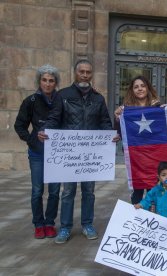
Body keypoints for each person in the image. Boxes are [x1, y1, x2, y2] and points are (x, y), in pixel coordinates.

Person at [37, 59, 120, 244]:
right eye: (81, 71)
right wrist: (44, 130)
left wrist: (110, 135)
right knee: (68, 192)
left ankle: (87, 224)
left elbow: (105, 122)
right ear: (75, 73)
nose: (84, 74)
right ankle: (65, 227)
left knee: (89, 191)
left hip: (90, 155)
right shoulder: (63, 95)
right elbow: (54, 118)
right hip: (69, 154)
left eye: (88, 72)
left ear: (92, 74)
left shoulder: (98, 98)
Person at [14, 64, 61, 239]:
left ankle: (50, 223)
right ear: (39, 81)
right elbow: (19, 126)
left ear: (56, 83)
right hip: (37, 154)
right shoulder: (30, 101)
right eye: (44, 80)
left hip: (57, 154)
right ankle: (38, 224)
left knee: (55, 191)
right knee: (37, 190)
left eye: (51, 80)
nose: (48, 84)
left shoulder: (60, 100)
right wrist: (33, 140)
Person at [114, 75, 161, 204]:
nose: (140, 89)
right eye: (136, 87)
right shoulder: (126, 109)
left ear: (147, 88)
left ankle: (153, 217)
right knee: (138, 189)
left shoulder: (157, 106)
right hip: (136, 156)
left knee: (153, 187)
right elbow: (120, 132)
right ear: (132, 90)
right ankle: (137, 218)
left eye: (142, 86)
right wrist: (117, 118)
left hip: (153, 154)